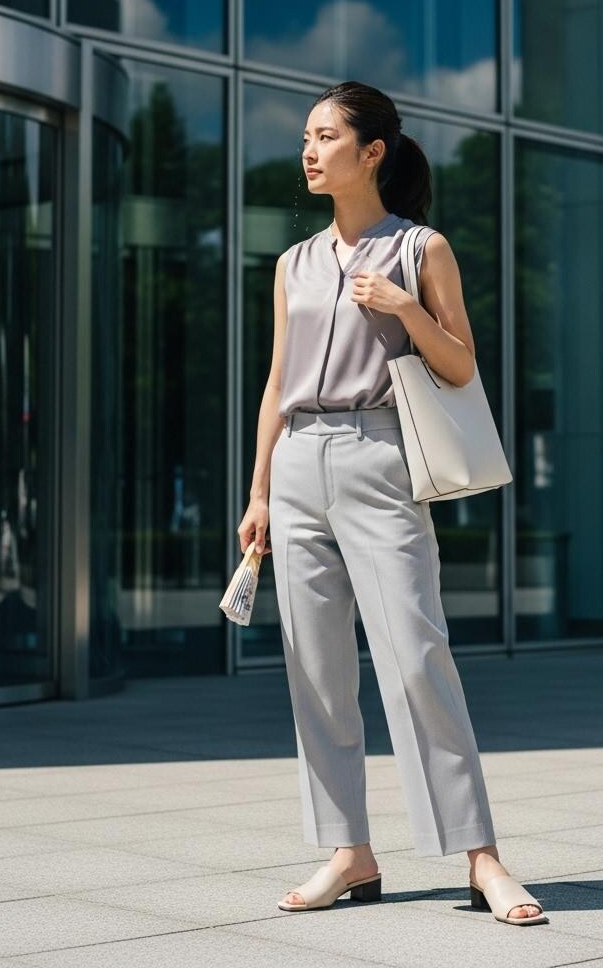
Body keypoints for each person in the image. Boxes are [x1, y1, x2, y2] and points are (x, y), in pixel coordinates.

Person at [237, 80, 546, 926]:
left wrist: (404, 305)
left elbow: (461, 366)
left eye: (326, 136)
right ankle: (350, 852)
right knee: (316, 670)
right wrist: (259, 490)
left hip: (379, 457)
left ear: (372, 151)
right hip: (298, 463)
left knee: (415, 657)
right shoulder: (293, 263)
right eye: (306, 136)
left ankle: (481, 856)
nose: (308, 150)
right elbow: (275, 383)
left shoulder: (421, 248)